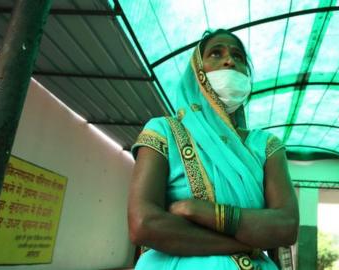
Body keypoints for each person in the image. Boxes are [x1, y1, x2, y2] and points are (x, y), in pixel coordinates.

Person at [128, 29, 299, 270]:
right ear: (197, 71)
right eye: (216, 53)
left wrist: (201, 211)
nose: (230, 60)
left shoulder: (266, 145)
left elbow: (286, 226)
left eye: (239, 57)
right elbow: (143, 224)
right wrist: (244, 242)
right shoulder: (163, 131)